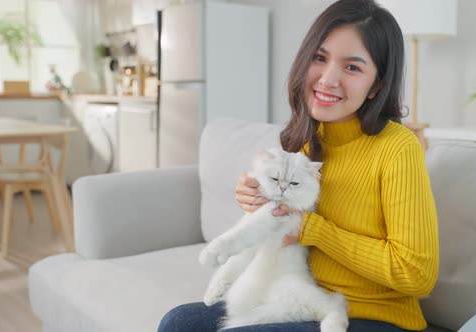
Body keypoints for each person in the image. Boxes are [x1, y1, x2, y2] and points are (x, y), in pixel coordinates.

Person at [158, 0, 438, 331]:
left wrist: (314, 230)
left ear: (377, 84)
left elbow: (416, 274)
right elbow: (282, 232)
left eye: (352, 67)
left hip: (375, 317)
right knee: (178, 323)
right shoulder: (305, 141)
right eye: (320, 58)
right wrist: (257, 199)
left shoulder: (397, 147)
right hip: (296, 298)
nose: (328, 79)